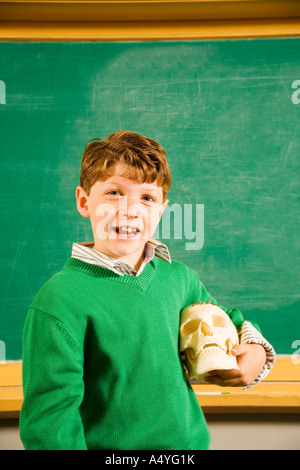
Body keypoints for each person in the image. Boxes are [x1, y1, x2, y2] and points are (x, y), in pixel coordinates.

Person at [19, 130, 275, 450]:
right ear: (84, 201)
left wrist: (255, 352)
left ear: (162, 209)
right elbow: (50, 425)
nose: (130, 209)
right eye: (114, 192)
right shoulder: (58, 301)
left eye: (147, 198)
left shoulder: (180, 279)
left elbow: (229, 323)